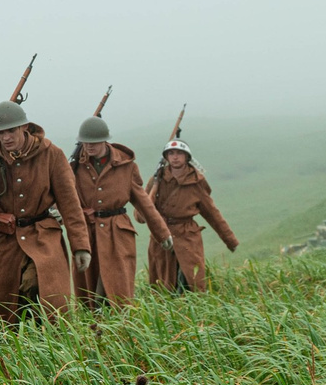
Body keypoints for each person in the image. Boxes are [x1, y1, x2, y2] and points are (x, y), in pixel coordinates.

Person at [0, 100, 91, 320]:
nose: (6, 137)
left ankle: (49, 351)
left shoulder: (52, 154)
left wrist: (80, 246)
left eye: (11, 130)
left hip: (43, 237)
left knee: (49, 305)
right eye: (0, 133)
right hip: (4, 244)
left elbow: (70, 204)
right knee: (1, 316)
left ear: (24, 128)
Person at [68, 115, 172, 307]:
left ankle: (122, 330)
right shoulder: (75, 166)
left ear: (105, 141)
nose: (89, 147)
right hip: (88, 233)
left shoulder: (126, 166)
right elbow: (65, 197)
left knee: (119, 291)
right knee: (88, 293)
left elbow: (142, 201)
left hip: (118, 233)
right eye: (85, 143)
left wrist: (161, 232)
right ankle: (93, 332)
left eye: (94, 142)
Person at [147, 138, 239, 292]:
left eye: (179, 153)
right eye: (171, 153)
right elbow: (141, 216)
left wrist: (230, 240)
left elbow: (212, 213)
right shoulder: (157, 179)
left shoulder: (196, 182)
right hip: (162, 236)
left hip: (187, 236)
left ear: (187, 157)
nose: (175, 157)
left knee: (193, 282)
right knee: (163, 284)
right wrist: (154, 187)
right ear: (166, 157)